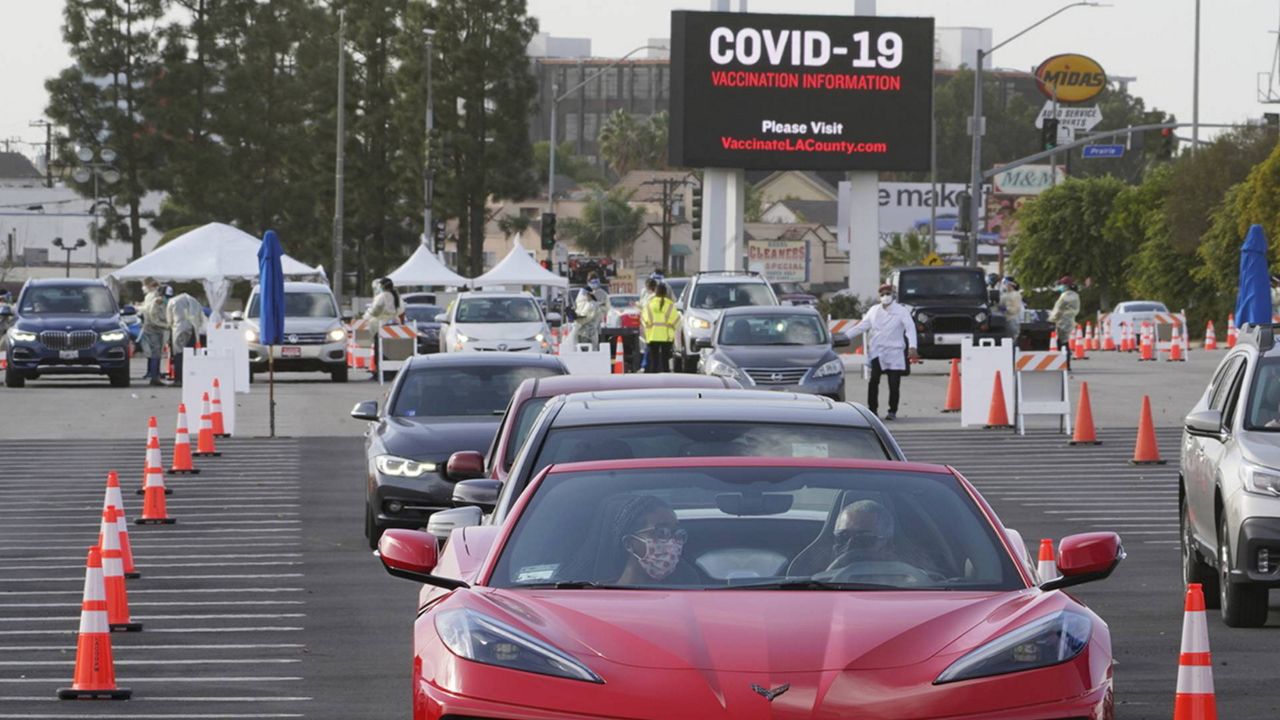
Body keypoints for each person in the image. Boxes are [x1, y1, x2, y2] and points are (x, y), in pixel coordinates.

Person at [558, 494, 689, 585]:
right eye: (661, 532)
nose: (672, 543)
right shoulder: (596, 598)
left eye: (677, 534)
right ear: (629, 544)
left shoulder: (689, 595)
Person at [845, 283, 919, 421]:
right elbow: (862, 326)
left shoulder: (901, 311)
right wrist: (845, 336)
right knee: (874, 381)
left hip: (895, 352)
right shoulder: (874, 310)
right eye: (882, 294)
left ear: (893, 295)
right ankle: (872, 409)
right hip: (877, 351)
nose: (885, 296)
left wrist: (912, 347)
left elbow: (910, 328)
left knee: (894, 383)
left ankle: (892, 410)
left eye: (888, 293)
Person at [166, 290, 203, 386]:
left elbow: (169, 320)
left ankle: (179, 379)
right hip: (192, 329)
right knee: (190, 355)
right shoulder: (195, 301)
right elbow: (200, 318)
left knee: (178, 354)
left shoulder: (173, 301)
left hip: (179, 329)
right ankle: (190, 377)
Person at [642, 282, 679, 373]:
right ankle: (665, 379)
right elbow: (677, 320)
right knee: (665, 360)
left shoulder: (649, 304)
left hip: (652, 336)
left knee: (654, 360)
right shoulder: (670, 305)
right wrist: (671, 328)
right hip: (666, 337)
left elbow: (644, 319)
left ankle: (654, 380)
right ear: (666, 293)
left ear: (656, 292)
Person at [139, 278, 169, 386]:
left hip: (150, 327)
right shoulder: (155, 298)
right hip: (155, 328)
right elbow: (153, 314)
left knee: (153, 353)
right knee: (156, 354)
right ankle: (154, 377)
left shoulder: (149, 296)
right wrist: (166, 325)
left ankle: (154, 375)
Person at [1048, 275, 1080, 366]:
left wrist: (1051, 319)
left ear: (1066, 285)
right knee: (1065, 342)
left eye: (1062, 284)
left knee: (1062, 343)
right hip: (1069, 320)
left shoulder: (1065, 296)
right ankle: (1066, 363)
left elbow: (1058, 309)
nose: (1061, 286)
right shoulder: (1075, 295)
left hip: (1063, 321)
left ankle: (1064, 363)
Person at [572, 272, 608, 351]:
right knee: (582, 351)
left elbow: (605, 309)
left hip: (594, 329)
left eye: (596, 282)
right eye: (592, 282)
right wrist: (591, 305)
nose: (594, 284)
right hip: (582, 329)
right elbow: (581, 309)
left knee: (593, 351)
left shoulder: (602, 294)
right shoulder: (583, 293)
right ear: (588, 282)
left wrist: (597, 307)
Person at [999, 277, 1023, 345]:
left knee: (1012, 341)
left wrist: (1006, 309)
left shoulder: (1016, 295)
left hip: (1012, 320)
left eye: (1005, 283)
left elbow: (1016, 309)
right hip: (1004, 319)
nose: (1004, 285)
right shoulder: (1004, 295)